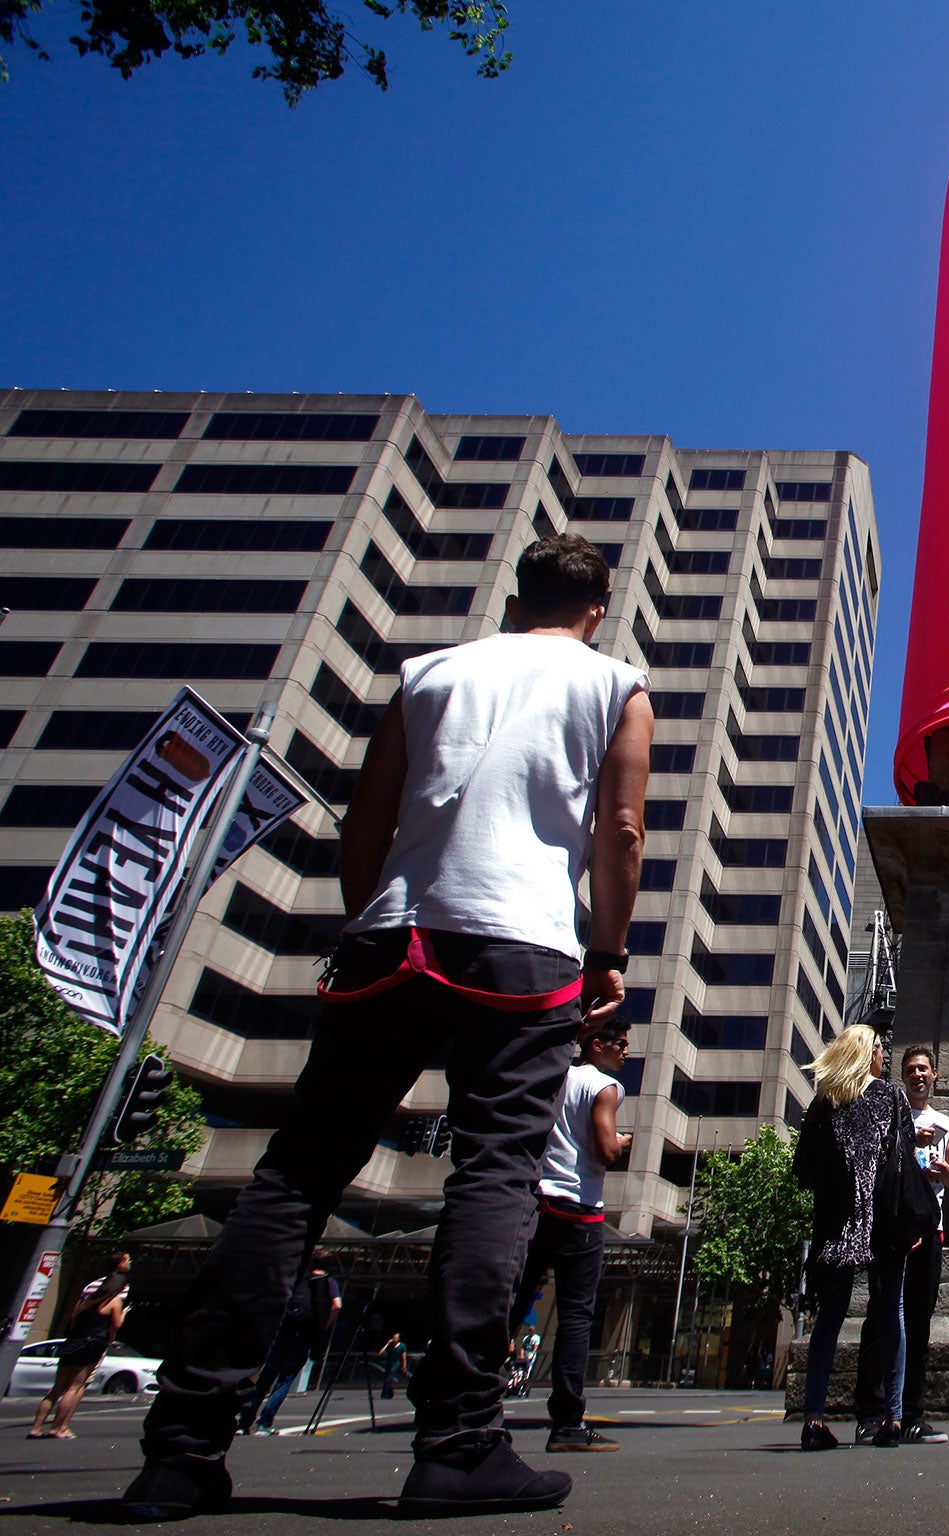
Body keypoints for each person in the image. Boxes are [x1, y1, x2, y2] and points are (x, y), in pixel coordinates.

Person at [123, 534, 653, 1521]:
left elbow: (363, 818)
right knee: (494, 1172)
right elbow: (618, 828)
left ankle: (183, 1443)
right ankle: (455, 1440)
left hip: (390, 936)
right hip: (520, 946)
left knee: (297, 1172)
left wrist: (375, 914)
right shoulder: (615, 682)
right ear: (598, 604)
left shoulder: (429, 673)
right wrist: (607, 955)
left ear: (517, 594)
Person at [792, 1025, 924, 1450]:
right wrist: (911, 1222)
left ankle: (813, 1420)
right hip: (884, 1222)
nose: (884, 1057)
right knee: (891, 1315)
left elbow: (803, 1170)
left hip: (836, 1224)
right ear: (869, 1054)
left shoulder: (824, 1100)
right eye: (881, 1049)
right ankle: (894, 1419)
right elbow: (905, 1160)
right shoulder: (890, 1097)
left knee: (828, 1321)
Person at [509, 1017, 635, 1452]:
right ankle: (566, 1422)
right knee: (576, 1317)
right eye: (618, 1043)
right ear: (595, 1044)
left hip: (539, 1201)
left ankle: (470, 1398)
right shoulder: (603, 1087)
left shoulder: (556, 1078)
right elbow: (603, 1151)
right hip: (580, 1210)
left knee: (514, 1301)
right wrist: (619, 1141)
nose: (625, 1051)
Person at [853, 1044, 949, 1446]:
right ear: (902, 1076)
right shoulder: (888, 1114)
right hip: (893, 1226)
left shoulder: (945, 1122)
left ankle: (911, 1415)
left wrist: (948, 1174)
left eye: (924, 1069)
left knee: (918, 1321)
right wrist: (908, 1139)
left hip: (929, 1226)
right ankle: (872, 1413)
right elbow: (869, 1161)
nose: (918, 1075)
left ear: (934, 1076)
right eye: (911, 1069)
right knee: (880, 1320)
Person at [29, 1253, 131, 1440]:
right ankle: (58, 1428)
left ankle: (36, 1428)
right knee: (74, 1387)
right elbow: (116, 1325)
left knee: (56, 1388)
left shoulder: (87, 1300)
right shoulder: (114, 1301)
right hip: (92, 1344)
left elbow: (73, 1319)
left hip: (73, 1341)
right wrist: (124, 1313)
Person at [242, 1254, 342, 1434]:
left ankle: (244, 1422)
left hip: (284, 1332)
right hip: (304, 1336)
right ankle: (265, 1423)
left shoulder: (299, 1278)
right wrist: (322, 1327)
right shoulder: (329, 1283)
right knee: (285, 1379)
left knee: (266, 1378)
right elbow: (337, 1305)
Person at [376, 1333, 409, 1401]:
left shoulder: (402, 1345)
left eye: (395, 1338)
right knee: (386, 1380)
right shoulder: (390, 1345)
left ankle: (384, 1395)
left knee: (388, 1379)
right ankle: (390, 1393)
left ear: (398, 1339)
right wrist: (387, 1344)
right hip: (389, 1364)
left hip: (396, 1364)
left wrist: (404, 1366)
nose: (394, 1339)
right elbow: (380, 1353)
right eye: (393, 1338)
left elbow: (403, 1356)